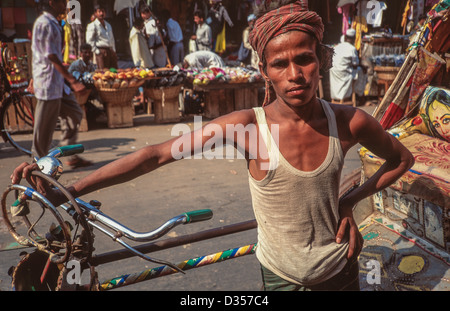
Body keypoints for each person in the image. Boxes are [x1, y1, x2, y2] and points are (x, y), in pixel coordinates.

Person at [12, 0, 414, 291]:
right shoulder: (247, 128)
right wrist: (71, 190)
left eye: (305, 59)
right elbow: (156, 154)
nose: (296, 74)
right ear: (264, 71)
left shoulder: (348, 121)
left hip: (339, 270)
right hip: (280, 275)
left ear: (320, 61)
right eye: (280, 64)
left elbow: (400, 159)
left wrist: (349, 199)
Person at [30, 0, 92, 168]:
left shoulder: (55, 23)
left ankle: (69, 154)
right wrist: (71, 79)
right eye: (62, 2)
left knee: (74, 113)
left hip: (58, 83)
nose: (65, 5)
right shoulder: (44, 24)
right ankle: (37, 167)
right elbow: (50, 56)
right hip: (48, 83)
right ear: (52, 2)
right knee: (43, 131)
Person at [329, 28, 367, 103]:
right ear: (354, 39)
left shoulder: (337, 47)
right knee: (361, 71)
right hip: (344, 75)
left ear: (345, 37)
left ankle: (357, 94)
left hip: (335, 73)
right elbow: (355, 64)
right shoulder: (352, 49)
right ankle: (360, 94)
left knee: (358, 70)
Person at [86, 4, 117, 70]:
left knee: (113, 72)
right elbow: (89, 41)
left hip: (110, 51)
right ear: (95, 13)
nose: (101, 13)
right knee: (102, 72)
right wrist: (97, 51)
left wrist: (113, 50)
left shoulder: (108, 25)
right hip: (100, 51)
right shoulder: (92, 25)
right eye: (99, 11)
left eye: (103, 11)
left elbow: (112, 39)